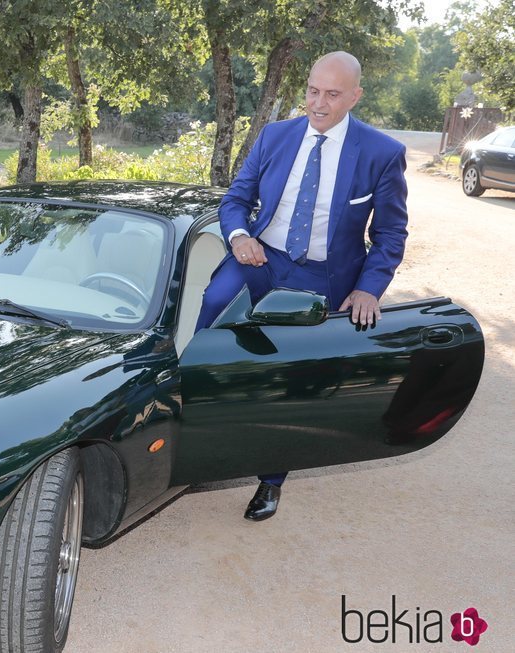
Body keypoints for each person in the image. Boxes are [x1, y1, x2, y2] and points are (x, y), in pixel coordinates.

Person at [195, 51, 409, 521]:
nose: (318, 102)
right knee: (211, 309)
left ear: (355, 96)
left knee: (296, 378)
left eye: (332, 94)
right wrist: (239, 235)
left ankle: (270, 482)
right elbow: (236, 199)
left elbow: (390, 234)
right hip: (260, 259)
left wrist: (370, 288)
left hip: (322, 277)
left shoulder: (381, 153)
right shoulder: (275, 136)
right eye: (313, 90)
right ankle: (197, 432)